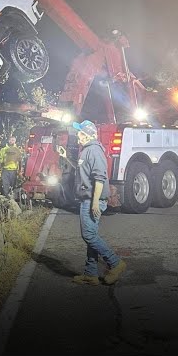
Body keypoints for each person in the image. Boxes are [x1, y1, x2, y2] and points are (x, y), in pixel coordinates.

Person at [71, 120, 127, 286]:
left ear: (89, 135)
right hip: (87, 198)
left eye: (80, 133)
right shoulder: (86, 151)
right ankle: (91, 273)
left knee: (88, 235)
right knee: (91, 236)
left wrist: (95, 202)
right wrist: (64, 157)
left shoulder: (94, 151)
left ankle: (115, 263)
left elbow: (100, 178)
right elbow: (85, 174)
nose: (77, 136)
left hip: (91, 200)